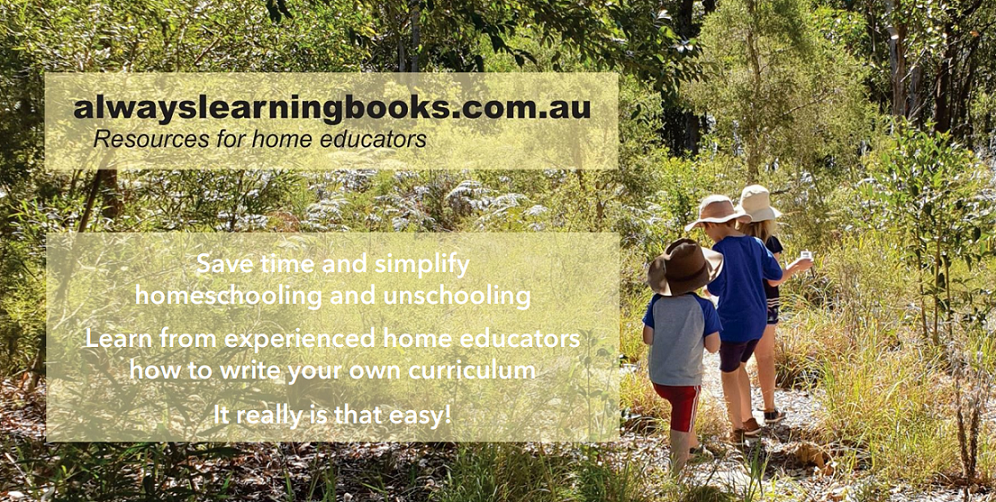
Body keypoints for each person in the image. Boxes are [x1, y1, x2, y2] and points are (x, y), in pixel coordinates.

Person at [685, 195, 782, 443]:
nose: (706, 232)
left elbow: (715, 290)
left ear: (714, 224)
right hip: (758, 321)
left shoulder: (718, 251)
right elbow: (775, 273)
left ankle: (736, 429)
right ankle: (749, 420)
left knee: (727, 373)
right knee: (739, 366)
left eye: (705, 227)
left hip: (732, 322)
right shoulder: (756, 244)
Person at [642, 238, 723, 475]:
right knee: (681, 419)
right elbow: (713, 347)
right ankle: (676, 473)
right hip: (685, 382)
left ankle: (694, 448)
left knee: (685, 413)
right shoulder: (704, 307)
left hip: (659, 377)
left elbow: (647, 337)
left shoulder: (656, 302)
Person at [735, 185, 813, 423]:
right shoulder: (770, 243)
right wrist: (797, 266)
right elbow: (774, 277)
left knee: (738, 360)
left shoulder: (734, 241)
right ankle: (769, 409)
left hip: (741, 301)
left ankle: (742, 414)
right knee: (765, 356)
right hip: (767, 302)